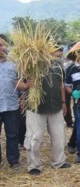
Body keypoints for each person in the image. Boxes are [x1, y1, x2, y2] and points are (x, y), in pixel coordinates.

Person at [24, 42, 71, 175]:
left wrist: (63, 102)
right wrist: (26, 84)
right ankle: (34, 165)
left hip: (56, 105)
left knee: (59, 136)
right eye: (54, 48)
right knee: (34, 137)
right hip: (35, 107)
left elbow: (61, 84)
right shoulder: (31, 62)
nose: (58, 51)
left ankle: (59, 161)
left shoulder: (57, 65)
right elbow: (19, 82)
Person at [0, 34, 32, 169]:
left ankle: (13, 161)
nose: (1, 48)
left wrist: (25, 89)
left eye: (2, 45)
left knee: (12, 135)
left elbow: (19, 83)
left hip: (11, 105)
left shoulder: (15, 63)